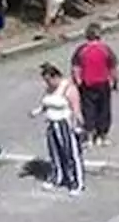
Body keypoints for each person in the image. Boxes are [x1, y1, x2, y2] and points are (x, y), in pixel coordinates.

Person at [29, 63, 85, 195]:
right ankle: (57, 177)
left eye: (49, 80)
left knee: (70, 154)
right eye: (45, 81)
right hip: (52, 124)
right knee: (55, 153)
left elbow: (76, 109)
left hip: (65, 124)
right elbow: (45, 104)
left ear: (56, 77)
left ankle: (76, 182)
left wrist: (80, 126)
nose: (47, 83)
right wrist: (36, 112)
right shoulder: (49, 89)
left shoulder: (68, 89)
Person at [71, 23, 119, 148]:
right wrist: (115, 81)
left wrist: (78, 81)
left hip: (87, 84)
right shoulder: (105, 49)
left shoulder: (81, 50)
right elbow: (113, 67)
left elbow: (76, 68)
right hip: (103, 83)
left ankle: (89, 137)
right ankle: (102, 136)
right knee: (104, 109)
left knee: (88, 109)